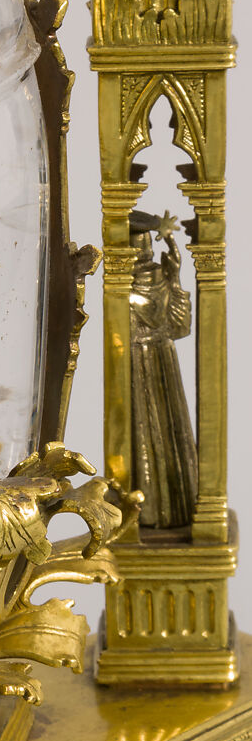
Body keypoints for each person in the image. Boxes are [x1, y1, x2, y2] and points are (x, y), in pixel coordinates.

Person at [129, 210, 198, 528]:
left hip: (155, 361)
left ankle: (168, 511)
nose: (143, 249)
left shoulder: (148, 283)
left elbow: (180, 327)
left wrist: (174, 279)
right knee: (144, 430)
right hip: (142, 361)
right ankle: (148, 512)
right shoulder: (122, 287)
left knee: (163, 428)